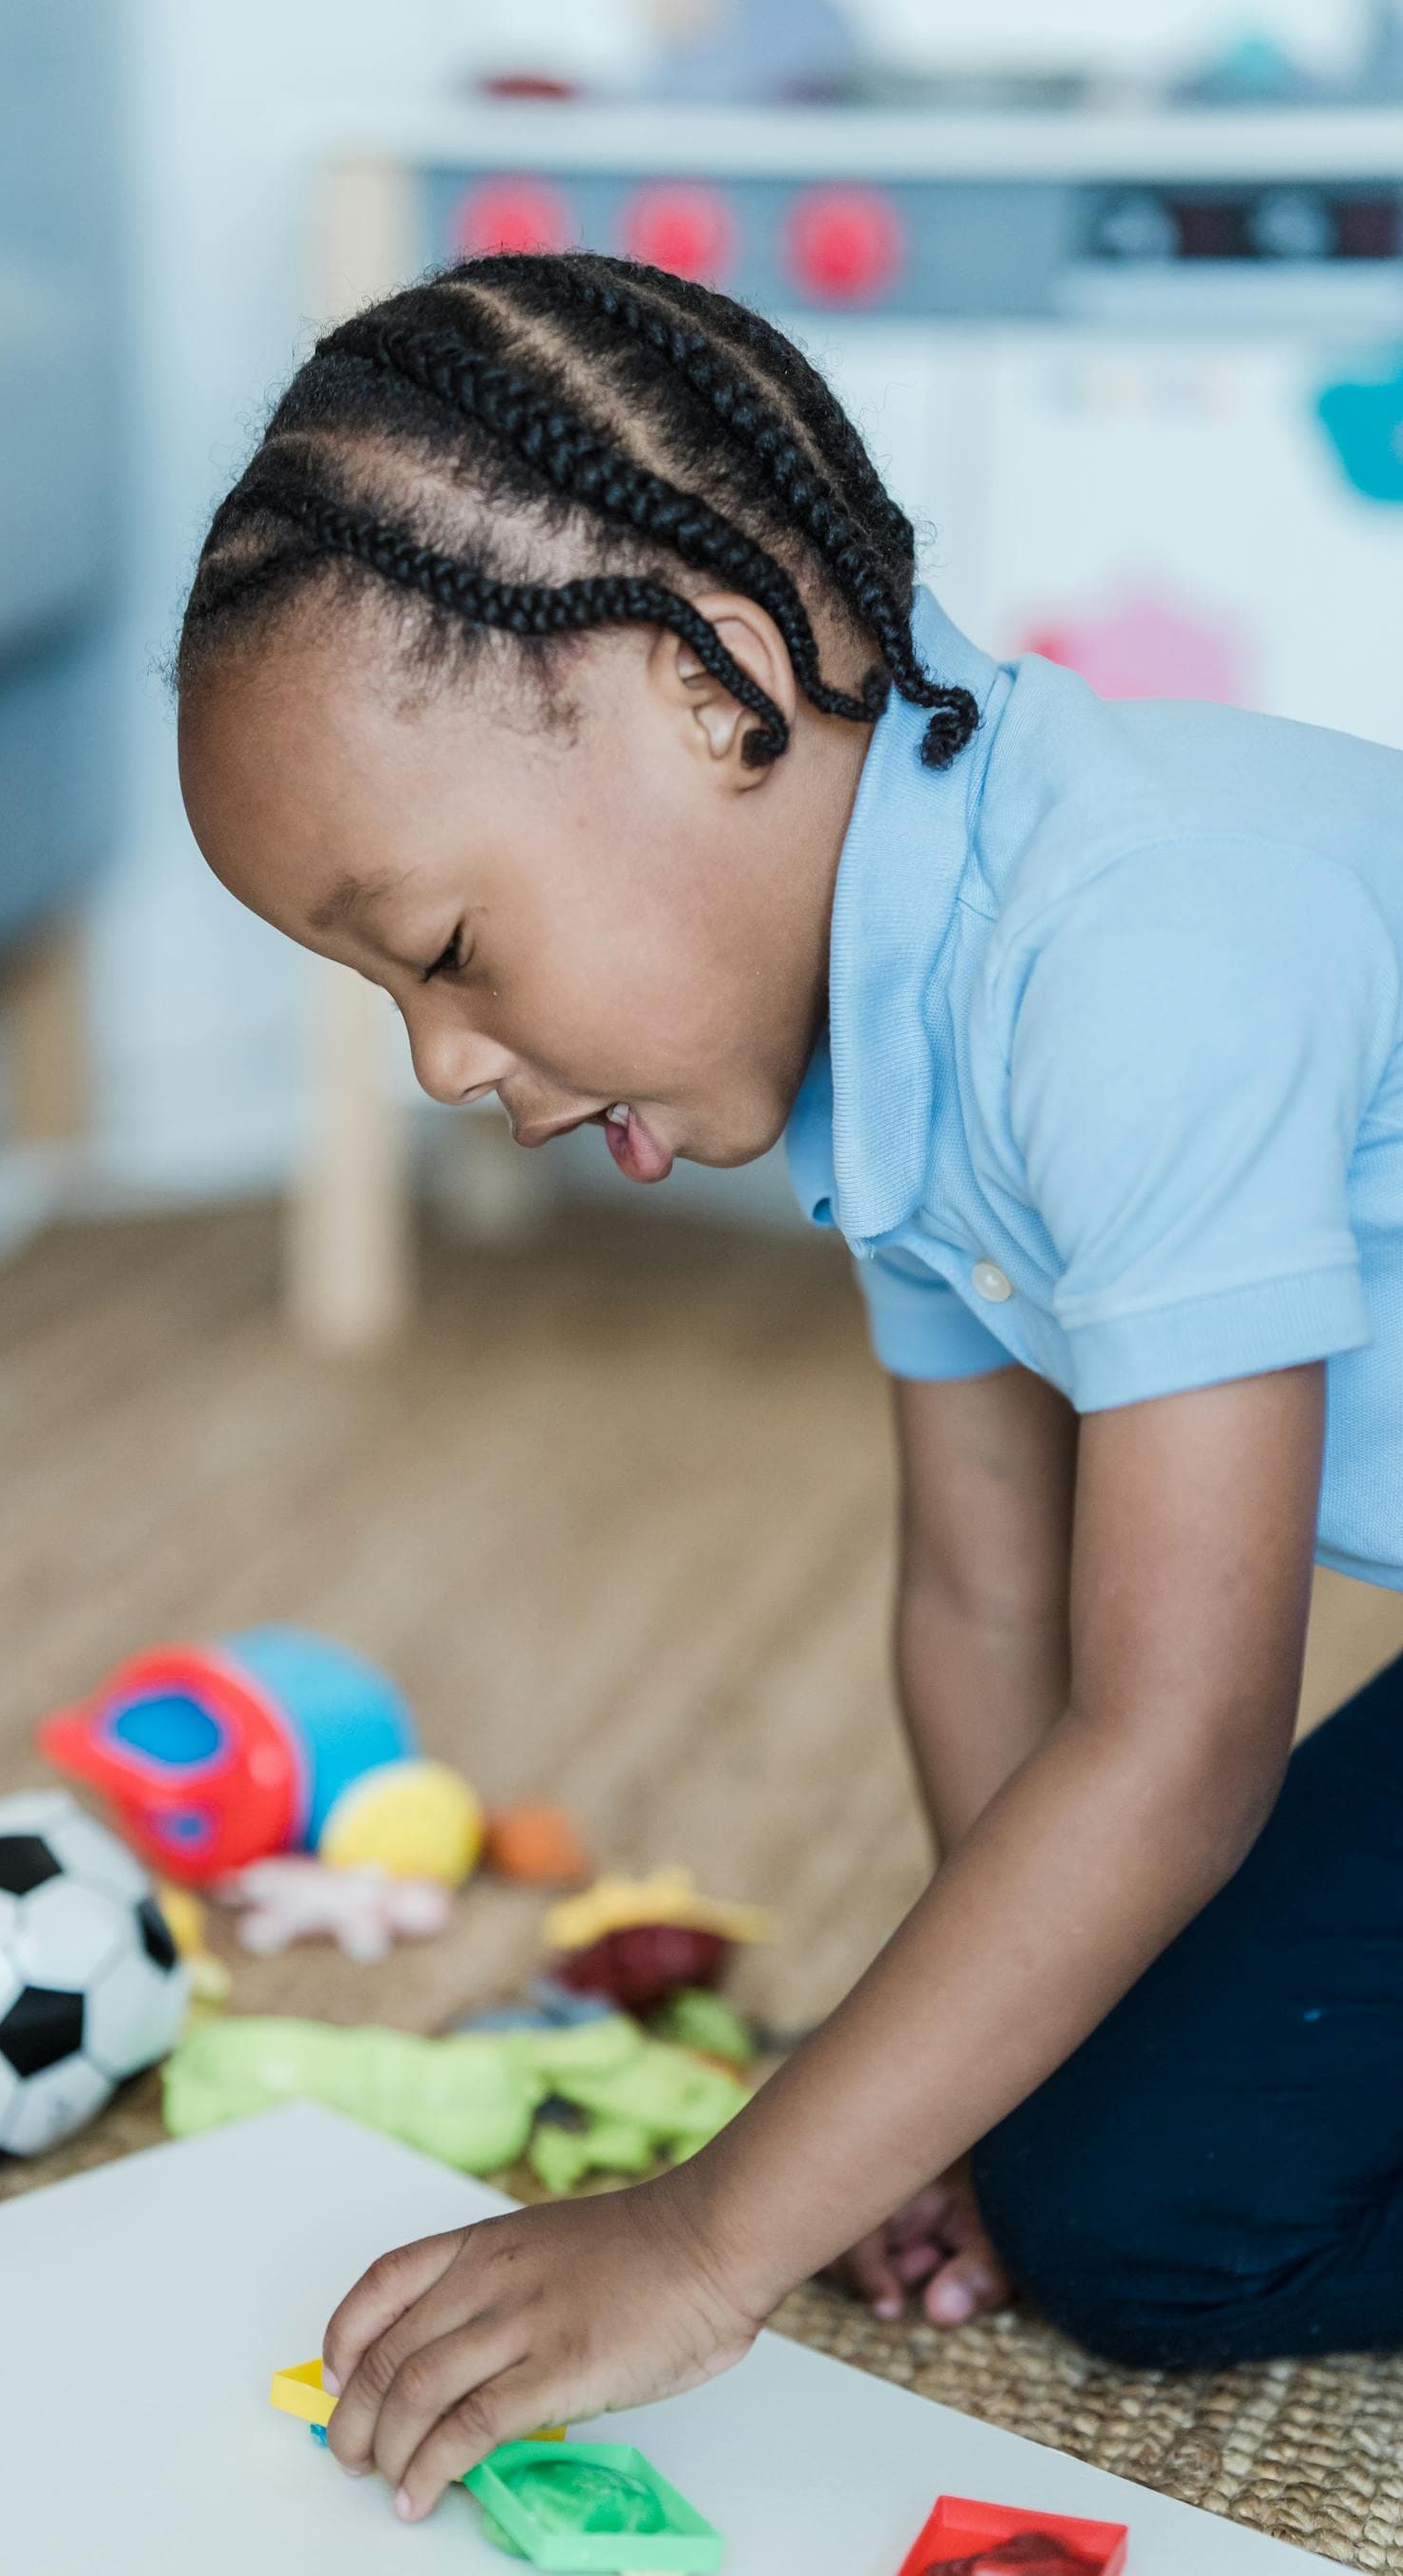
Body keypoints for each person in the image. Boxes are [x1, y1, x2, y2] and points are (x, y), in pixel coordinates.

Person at [174, 249, 1403, 2524]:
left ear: (712, 687)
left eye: (446, 950)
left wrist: (706, 2235)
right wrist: (976, 2096)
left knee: (1162, 2226)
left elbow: (1179, 1737)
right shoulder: (898, 1023)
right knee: (1109, 2162)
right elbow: (983, 1599)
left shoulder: (1136, 956)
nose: (449, 1063)